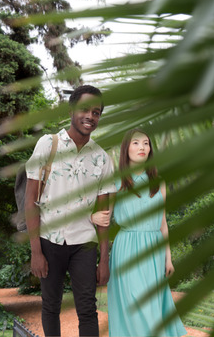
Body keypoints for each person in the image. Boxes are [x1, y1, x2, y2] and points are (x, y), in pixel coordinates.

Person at [25, 84, 116, 337]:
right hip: (49, 240)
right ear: (71, 110)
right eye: (85, 109)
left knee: (88, 309)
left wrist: (104, 261)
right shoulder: (47, 145)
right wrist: (35, 251)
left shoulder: (102, 159)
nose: (90, 116)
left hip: (84, 244)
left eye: (96, 112)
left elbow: (104, 216)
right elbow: (30, 200)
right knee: (51, 306)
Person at [107, 128, 187, 337]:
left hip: (154, 250)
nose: (142, 147)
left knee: (153, 309)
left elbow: (163, 224)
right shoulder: (116, 181)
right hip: (127, 251)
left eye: (146, 143)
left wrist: (168, 258)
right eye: (135, 143)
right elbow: (102, 218)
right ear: (126, 148)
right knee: (136, 310)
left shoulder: (158, 182)